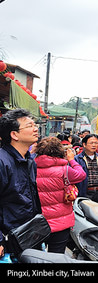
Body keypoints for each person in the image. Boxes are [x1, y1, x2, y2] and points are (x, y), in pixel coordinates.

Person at [0, 109, 43, 257]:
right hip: (8, 240)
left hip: (29, 235)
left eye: (34, 124)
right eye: (29, 125)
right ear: (14, 134)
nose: (35, 128)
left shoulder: (29, 161)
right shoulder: (2, 161)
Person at [34, 137, 86, 253]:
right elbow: (81, 175)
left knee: (36, 256)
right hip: (61, 222)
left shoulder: (31, 167)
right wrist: (72, 160)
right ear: (59, 151)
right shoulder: (65, 170)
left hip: (37, 222)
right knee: (57, 255)